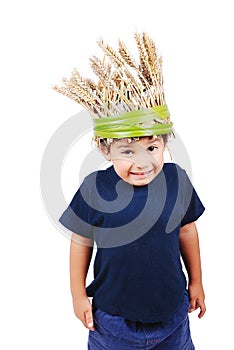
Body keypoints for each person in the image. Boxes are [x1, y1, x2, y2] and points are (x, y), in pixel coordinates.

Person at [55, 32, 206, 349]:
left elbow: (188, 231)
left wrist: (197, 282)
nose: (142, 162)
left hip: (173, 318)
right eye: (127, 151)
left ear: (165, 142)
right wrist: (77, 294)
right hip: (112, 323)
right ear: (105, 150)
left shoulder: (176, 179)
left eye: (152, 147)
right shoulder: (95, 188)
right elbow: (81, 241)